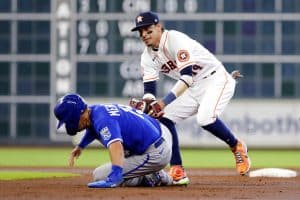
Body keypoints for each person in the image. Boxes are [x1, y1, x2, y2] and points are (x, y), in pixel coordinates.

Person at [131, 11, 251, 181]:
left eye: (148, 30)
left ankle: (236, 145)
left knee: (204, 119)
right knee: (163, 118)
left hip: (216, 79)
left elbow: (187, 76)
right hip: (193, 88)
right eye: (140, 32)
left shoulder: (175, 39)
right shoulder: (147, 57)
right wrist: (149, 104)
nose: (144, 35)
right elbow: (149, 89)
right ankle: (177, 169)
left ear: (159, 27)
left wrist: (164, 102)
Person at [53, 93, 186, 188]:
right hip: (159, 136)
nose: (68, 124)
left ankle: (154, 176)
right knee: (117, 159)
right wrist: (81, 146)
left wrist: (115, 176)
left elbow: (116, 146)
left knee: (101, 175)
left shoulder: (103, 120)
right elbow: (92, 127)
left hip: (155, 152)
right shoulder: (95, 110)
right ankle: (153, 173)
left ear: (76, 115)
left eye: (68, 120)